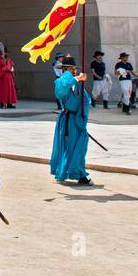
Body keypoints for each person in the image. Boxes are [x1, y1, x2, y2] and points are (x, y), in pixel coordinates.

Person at [50, 54, 92, 185]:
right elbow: (61, 91)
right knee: (68, 146)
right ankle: (74, 174)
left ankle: (77, 172)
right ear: (68, 68)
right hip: (67, 120)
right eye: (73, 68)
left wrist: (82, 114)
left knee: (80, 144)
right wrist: (77, 78)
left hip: (77, 119)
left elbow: (86, 100)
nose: (75, 70)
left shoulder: (77, 84)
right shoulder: (62, 81)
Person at [0, 41, 18, 109]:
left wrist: (9, 69)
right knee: (2, 92)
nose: (6, 54)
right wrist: (4, 69)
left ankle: (9, 104)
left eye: (6, 53)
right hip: (2, 79)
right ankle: (2, 104)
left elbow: (11, 68)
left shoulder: (8, 60)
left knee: (10, 92)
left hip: (9, 78)